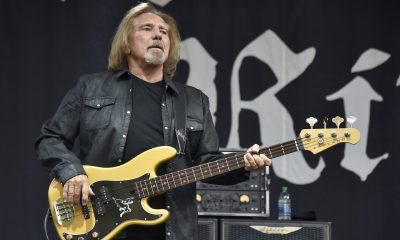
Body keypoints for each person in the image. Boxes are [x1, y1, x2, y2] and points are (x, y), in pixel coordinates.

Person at [35, 3, 271, 240]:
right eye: (147, 28)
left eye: (164, 32)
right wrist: (72, 173)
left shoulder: (194, 101)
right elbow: (50, 138)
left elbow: (208, 163)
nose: (158, 34)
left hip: (170, 231)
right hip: (100, 222)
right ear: (126, 44)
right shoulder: (91, 87)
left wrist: (244, 165)